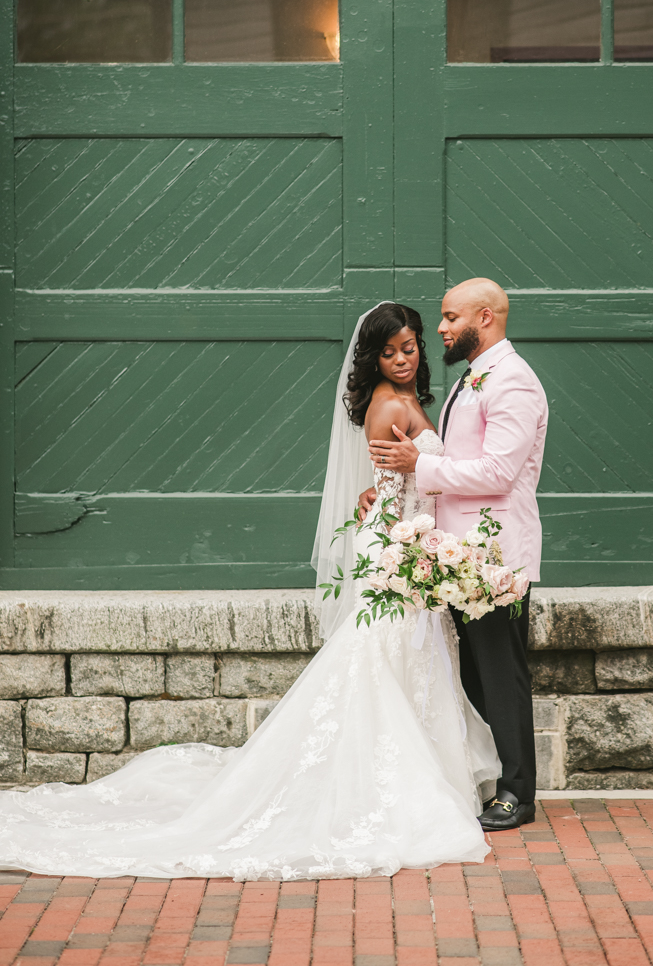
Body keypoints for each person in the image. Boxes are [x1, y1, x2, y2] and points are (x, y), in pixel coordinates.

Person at [0, 302, 499, 881]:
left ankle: (410, 772)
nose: (402, 359)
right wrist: (404, 548)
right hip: (395, 554)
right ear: (372, 358)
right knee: (380, 663)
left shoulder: (409, 400)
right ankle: (382, 783)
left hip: (406, 549)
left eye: (409, 347)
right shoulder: (389, 404)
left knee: (402, 663)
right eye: (388, 352)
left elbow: (387, 485)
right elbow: (389, 493)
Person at [361, 279, 548, 831]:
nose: (439, 329)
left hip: (494, 555)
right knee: (472, 676)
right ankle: (492, 780)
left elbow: (497, 472)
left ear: (483, 317)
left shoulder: (511, 381)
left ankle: (518, 794)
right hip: (458, 557)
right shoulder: (474, 376)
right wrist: (390, 489)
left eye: (447, 318)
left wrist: (416, 467)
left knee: (501, 673)